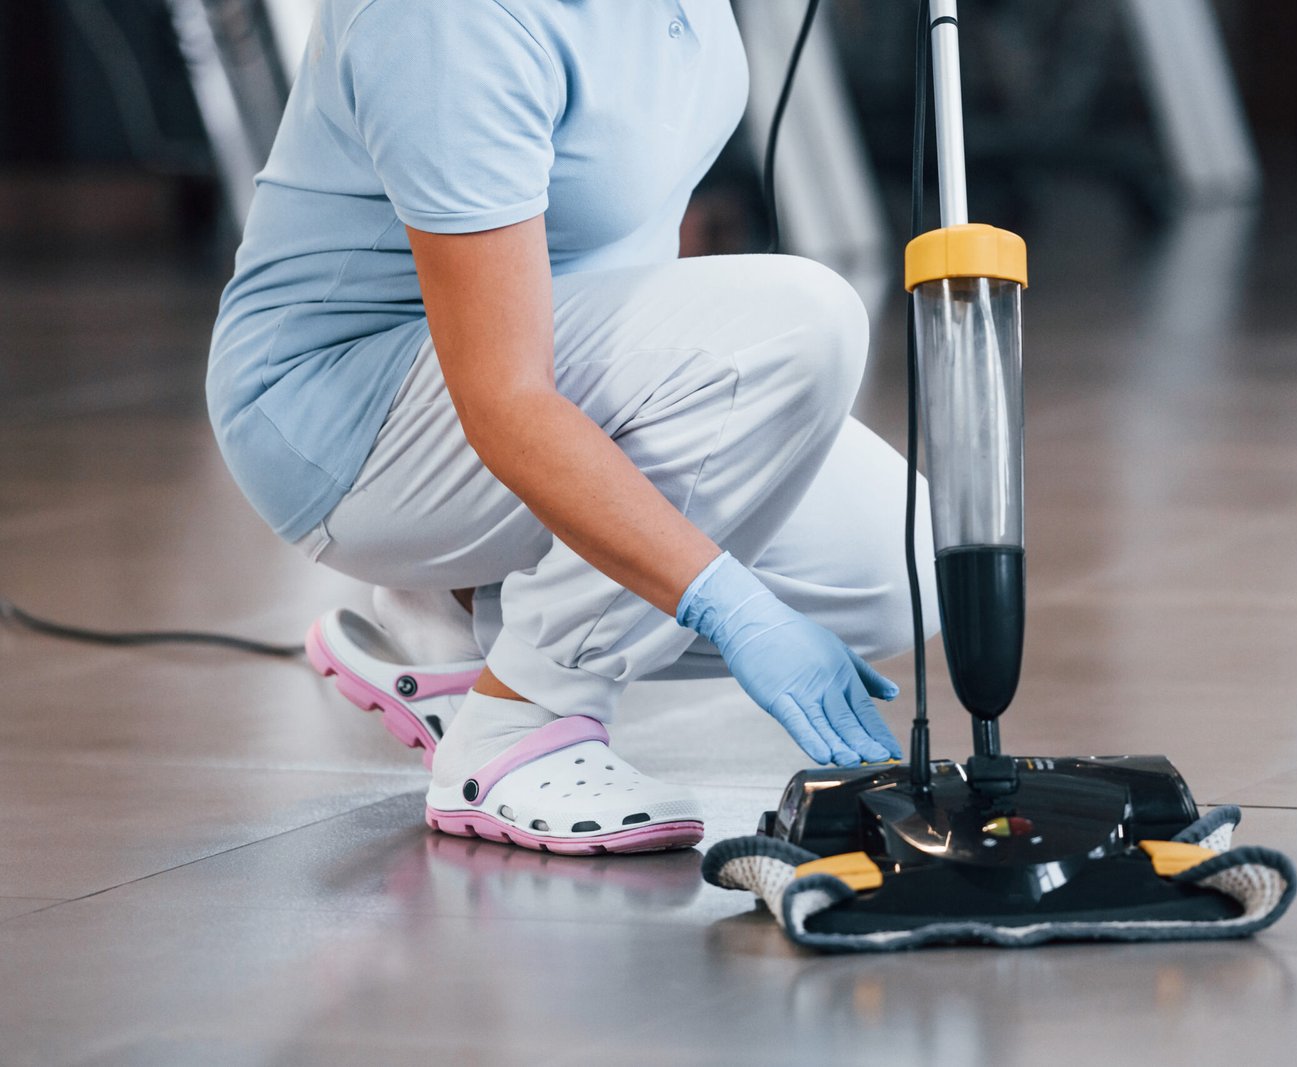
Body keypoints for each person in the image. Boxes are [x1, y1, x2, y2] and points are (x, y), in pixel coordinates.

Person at [208, 0, 934, 856]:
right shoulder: (449, 23)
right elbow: (504, 399)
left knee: (902, 563)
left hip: (529, 365)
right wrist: (728, 603)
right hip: (347, 423)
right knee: (801, 323)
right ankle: (520, 720)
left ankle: (462, 613)